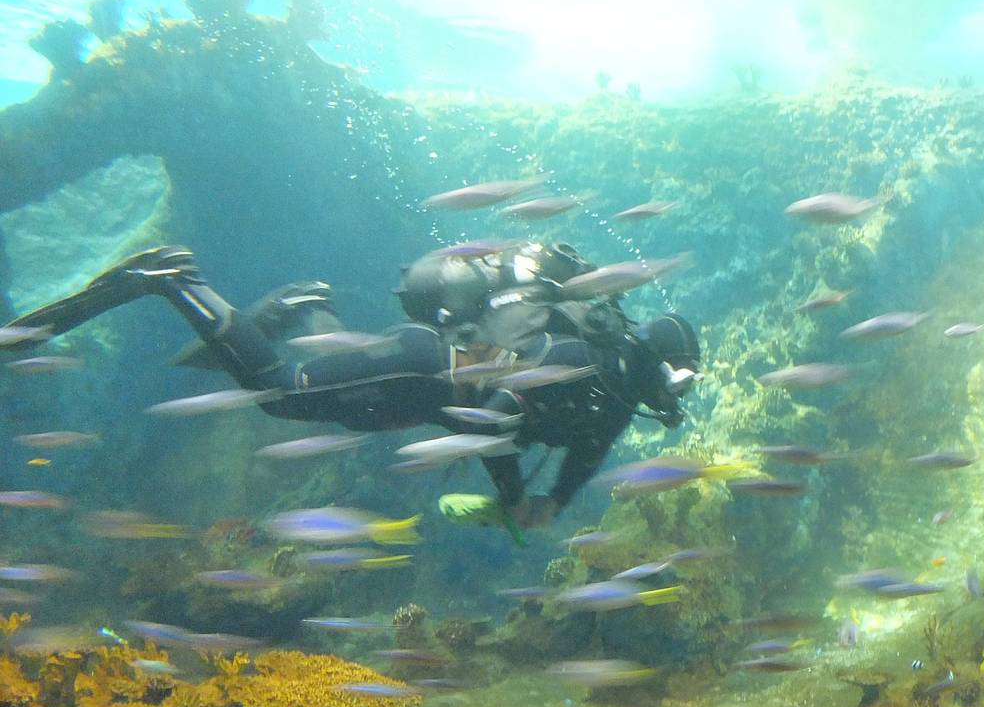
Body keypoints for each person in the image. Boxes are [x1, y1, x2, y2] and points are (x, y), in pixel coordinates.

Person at [1, 242, 701, 529]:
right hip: (425, 367)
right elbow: (492, 411)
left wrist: (555, 499)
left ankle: (309, 302)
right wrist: (517, 496)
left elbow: (587, 451)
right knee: (281, 394)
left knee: (332, 414)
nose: (671, 402)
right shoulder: (582, 355)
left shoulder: (610, 396)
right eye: (678, 385)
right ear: (662, 366)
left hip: (419, 393)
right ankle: (175, 278)